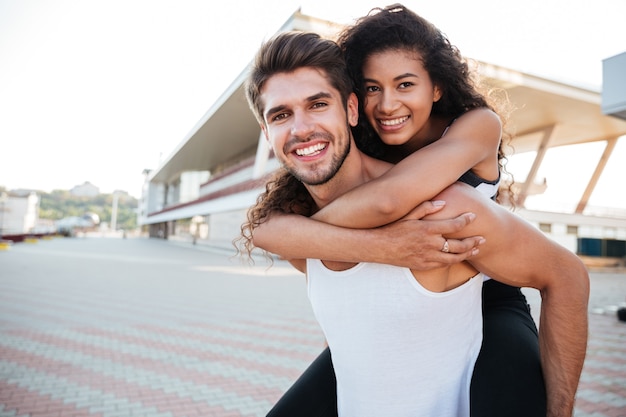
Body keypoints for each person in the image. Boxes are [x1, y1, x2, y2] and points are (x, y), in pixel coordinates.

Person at [240, 29, 589, 416]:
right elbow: (351, 325)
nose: (301, 128)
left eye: (318, 104)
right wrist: (371, 245)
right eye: (281, 114)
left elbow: (567, 275)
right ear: (266, 133)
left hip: (498, 299)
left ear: (350, 111)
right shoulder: (299, 232)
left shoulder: (440, 210)